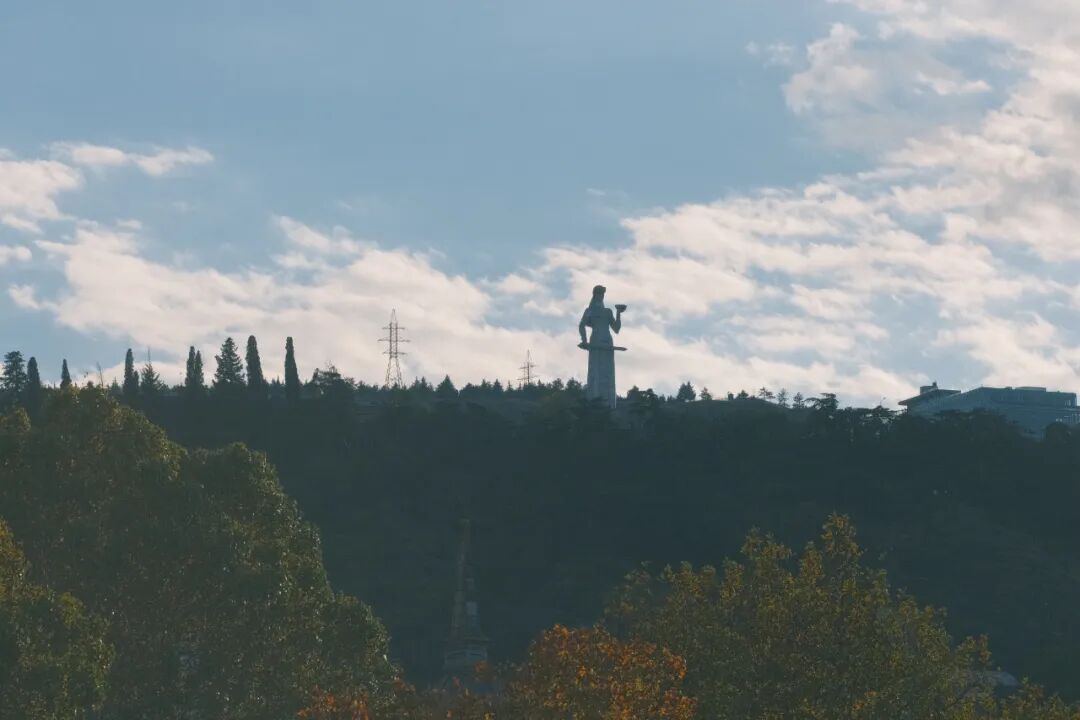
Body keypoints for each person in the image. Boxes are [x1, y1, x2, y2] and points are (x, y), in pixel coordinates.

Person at [578, 285, 624, 408]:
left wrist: (618, 313)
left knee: (608, 372)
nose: (601, 296)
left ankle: (609, 403)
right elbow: (581, 325)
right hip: (596, 342)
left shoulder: (607, 312)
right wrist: (584, 340)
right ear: (594, 295)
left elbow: (616, 329)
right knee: (596, 370)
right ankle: (595, 401)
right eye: (599, 293)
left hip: (607, 342)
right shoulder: (590, 310)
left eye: (602, 294)